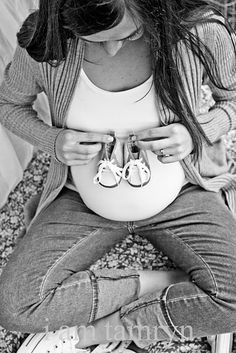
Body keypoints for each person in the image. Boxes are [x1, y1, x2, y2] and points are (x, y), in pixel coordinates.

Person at [0, 0, 236, 352]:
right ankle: (163, 284)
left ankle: (102, 333)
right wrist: (52, 141)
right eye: (93, 39)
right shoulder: (45, 38)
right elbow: (9, 104)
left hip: (184, 195)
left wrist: (197, 132)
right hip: (82, 199)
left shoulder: (199, 30)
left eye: (130, 35)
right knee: (14, 307)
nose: (111, 47)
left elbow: (231, 98)